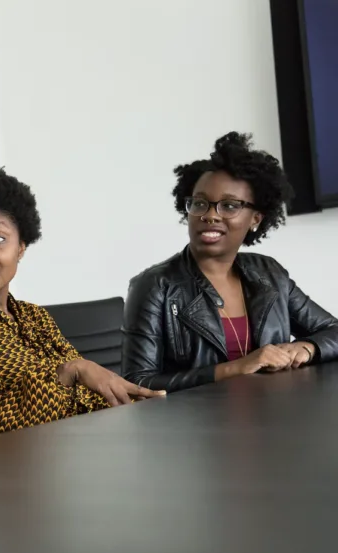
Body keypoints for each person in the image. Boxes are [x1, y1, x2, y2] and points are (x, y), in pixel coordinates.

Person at [0, 165, 163, 444]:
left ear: (21, 247)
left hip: (78, 448)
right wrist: (67, 372)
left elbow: (86, 391)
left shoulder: (35, 316)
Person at [122, 132, 338, 392]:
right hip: (197, 427)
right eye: (200, 203)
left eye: (229, 206)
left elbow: (332, 331)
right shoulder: (155, 286)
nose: (211, 215)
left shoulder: (269, 274)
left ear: (256, 219)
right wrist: (234, 369)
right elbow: (136, 384)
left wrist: (308, 347)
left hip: (275, 416)